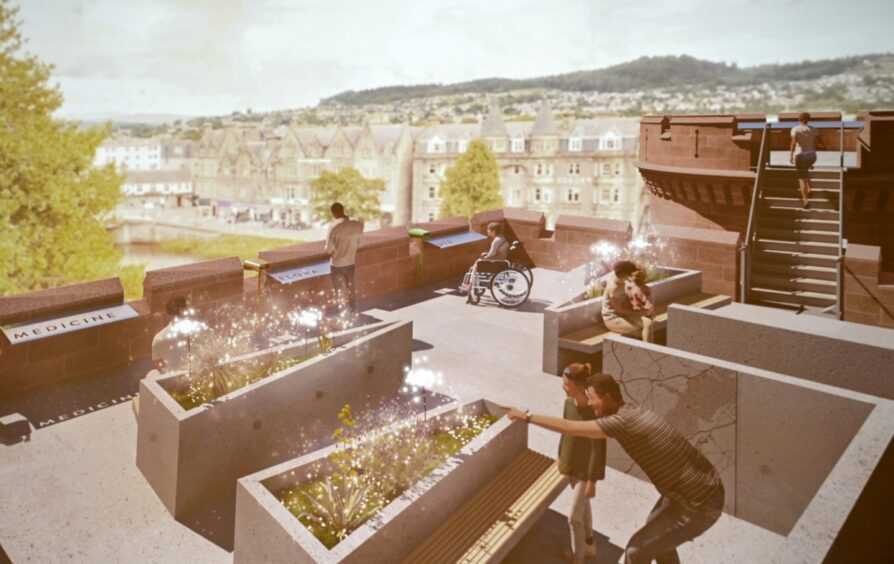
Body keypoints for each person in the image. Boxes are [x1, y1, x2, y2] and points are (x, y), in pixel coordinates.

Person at [506, 372, 724, 564]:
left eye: (593, 398)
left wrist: (527, 417)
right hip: (692, 490)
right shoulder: (632, 411)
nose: (590, 404)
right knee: (657, 540)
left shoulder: (621, 423)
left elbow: (571, 428)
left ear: (607, 398)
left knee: (635, 552)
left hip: (699, 503)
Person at [558, 363, 606, 563]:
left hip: (586, 473)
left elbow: (599, 450)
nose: (563, 387)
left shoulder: (595, 413)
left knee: (573, 518)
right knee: (583, 508)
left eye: (566, 384)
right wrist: (561, 456)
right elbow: (565, 430)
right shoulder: (569, 404)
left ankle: (578, 559)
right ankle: (589, 546)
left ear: (579, 387)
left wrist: (592, 481)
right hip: (570, 465)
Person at [325, 202, 363, 316]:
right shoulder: (357, 223)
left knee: (338, 291)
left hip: (336, 264)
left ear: (334, 213)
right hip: (350, 262)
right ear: (343, 210)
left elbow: (328, 249)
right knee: (351, 288)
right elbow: (360, 243)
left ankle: (340, 312)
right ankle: (353, 310)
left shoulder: (333, 226)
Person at [602, 260, 653, 343]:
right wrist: (639, 313)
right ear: (626, 275)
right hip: (613, 318)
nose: (632, 277)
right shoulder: (614, 288)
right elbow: (619, 310)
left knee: (648, 323)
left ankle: (651, 349)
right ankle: (647, 351)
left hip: (625, 315)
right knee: (639, 331)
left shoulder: (624, 282)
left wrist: (643, 310)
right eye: (631, 274)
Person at [460, 222, 509, 303]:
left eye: (488, 230)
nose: (487, 231)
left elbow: (491, 255)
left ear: (493, 231)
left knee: (477, 263)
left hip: (497, 263)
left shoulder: (496, 241)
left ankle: (470, 285)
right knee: (478, 261)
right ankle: (470, 285)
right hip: (501, 261)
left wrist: (483, 257)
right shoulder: (501, 238)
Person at [789, 112, 822, 209]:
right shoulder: (814, 129)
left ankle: (805, 200)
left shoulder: (795, 129)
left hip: (800, 156)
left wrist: (791, 155)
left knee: (801, 178)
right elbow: (820, 141)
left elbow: (793, 143)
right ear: (809, 120)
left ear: (798, 119)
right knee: (805, 171)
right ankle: (810, 189)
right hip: (812, 156)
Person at [625, 269, 656, 336]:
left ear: (643, 278)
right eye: (633, 276)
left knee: (648, 324)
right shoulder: (629, 286)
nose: (635, 278)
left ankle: (647, 345)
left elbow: (649, 303)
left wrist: (647, 312)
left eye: (638, 276)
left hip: (644, 312)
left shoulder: (645, 289)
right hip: (633, 312)